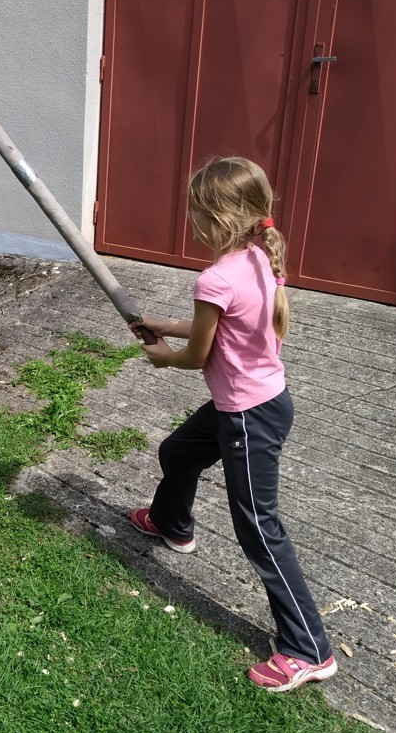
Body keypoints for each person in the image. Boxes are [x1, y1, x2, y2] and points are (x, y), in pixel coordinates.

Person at [128, 156, 335, 692]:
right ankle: (173, 523)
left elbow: (197, 355)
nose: (191, 220)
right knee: (179, 453)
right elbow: (220, 328)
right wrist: (157, 322)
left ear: (217, 216)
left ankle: (309, 647)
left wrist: (162, 355)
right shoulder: (259, 257)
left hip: (247, 416)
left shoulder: (216, 276)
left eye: (196, 211)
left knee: (259, 528)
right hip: (254, 404)